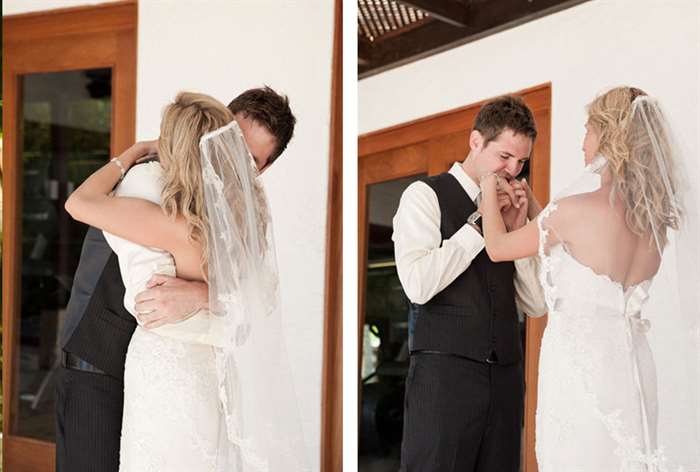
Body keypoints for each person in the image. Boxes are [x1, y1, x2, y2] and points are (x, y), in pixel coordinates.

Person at [59, 87, 300, 471]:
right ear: (218, 127)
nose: (232, 161)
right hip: (101, 354)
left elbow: (263, 293)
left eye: (249, 159)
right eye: (230, 143)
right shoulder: (149, 178)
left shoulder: (242, 211)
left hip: (184, 371)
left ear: (263, 169)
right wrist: (135, 154)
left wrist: (202, 294)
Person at [478, 86, 698, 470]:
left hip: (581, 369)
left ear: (608, 136)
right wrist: (534, 206)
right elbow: (573, 245)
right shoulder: (654, 223)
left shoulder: (572, 211)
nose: (582, 143)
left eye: (587, 130)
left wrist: (485, 189)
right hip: (630, 368)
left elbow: (497, 247)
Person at [394, 95, 546, 472]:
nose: (513, 170)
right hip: (445, 381)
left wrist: (517, 234)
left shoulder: (514, 205)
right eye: (504, 157)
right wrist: (480, 224)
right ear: (476, 141)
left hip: (506, 381)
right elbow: (418, 284)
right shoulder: (424, 196)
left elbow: (536, 304)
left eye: (522, 161)